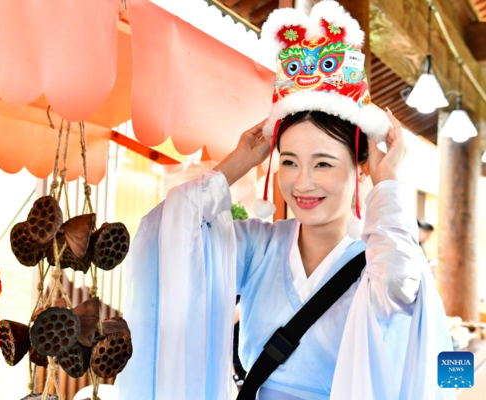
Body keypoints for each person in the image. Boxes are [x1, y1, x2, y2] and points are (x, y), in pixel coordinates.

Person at [116, 1, 453, 399]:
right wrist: (241, 159)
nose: (302, 183)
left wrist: (389, 181)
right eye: (289, 161)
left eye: (324, 164)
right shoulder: (260, 246)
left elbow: (399, 285)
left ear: (360, 167)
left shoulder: (381, 257)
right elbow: (165, 232)